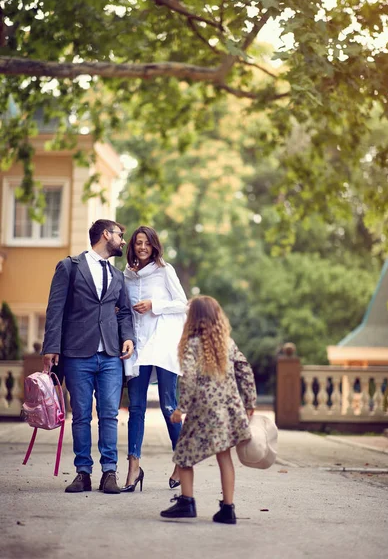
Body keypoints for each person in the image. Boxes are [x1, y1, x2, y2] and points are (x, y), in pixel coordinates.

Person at [42, 219, 134, 494]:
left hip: (110, 355)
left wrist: (127, 336)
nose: (123, 241)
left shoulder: (118, 276)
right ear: (106, 235)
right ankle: (83, 473)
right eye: (120, 235)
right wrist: (51, 347)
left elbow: (125, 312)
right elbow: (55, 308)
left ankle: (109, 473)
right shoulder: (70, 267)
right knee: (81, 416)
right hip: (76, 353)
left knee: (109, 415)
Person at [160, 295, 257, 524]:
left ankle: (187, 502)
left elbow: (189, 380)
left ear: (192, 318)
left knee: (183, 455)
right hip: (229, 409)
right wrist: (250, 402)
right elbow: (245, 370)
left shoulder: (192, 344)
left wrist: (180, 408)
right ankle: (228, 509)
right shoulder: (227, 342)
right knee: (225, 457)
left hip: (203, 411)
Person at [121, 226, 187, 493]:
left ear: (154, 245)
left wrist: (154, 305)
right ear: (133, 247)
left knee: (168, 406)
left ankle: (182, 461)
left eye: (147, 243)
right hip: (138, 346)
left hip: (162, 343)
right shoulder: (126, 275)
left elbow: (183, 303)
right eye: (138, 243)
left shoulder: (164, 271)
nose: (142, 247)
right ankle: (133, 467)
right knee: (135, 409)